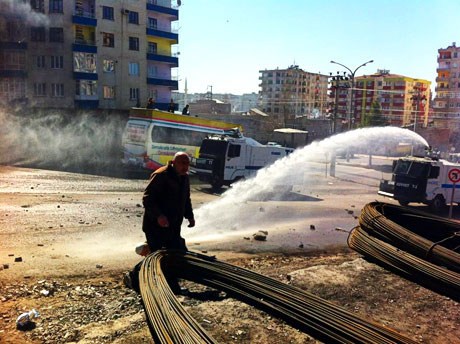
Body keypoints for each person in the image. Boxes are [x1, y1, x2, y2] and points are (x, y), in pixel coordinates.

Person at [125, 152, 195, 293]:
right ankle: (136, 277)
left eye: (188, 163)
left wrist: (190, 216)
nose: (186, 167)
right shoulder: (161, 175)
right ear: (174, 162)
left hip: (173, 227)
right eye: (183, 163)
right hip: (155, 227)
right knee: (158, 257)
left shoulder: (185, 178)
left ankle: (171, 286)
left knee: (177, 254)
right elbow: (148, 198)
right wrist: (159, 216)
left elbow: (186, 199)